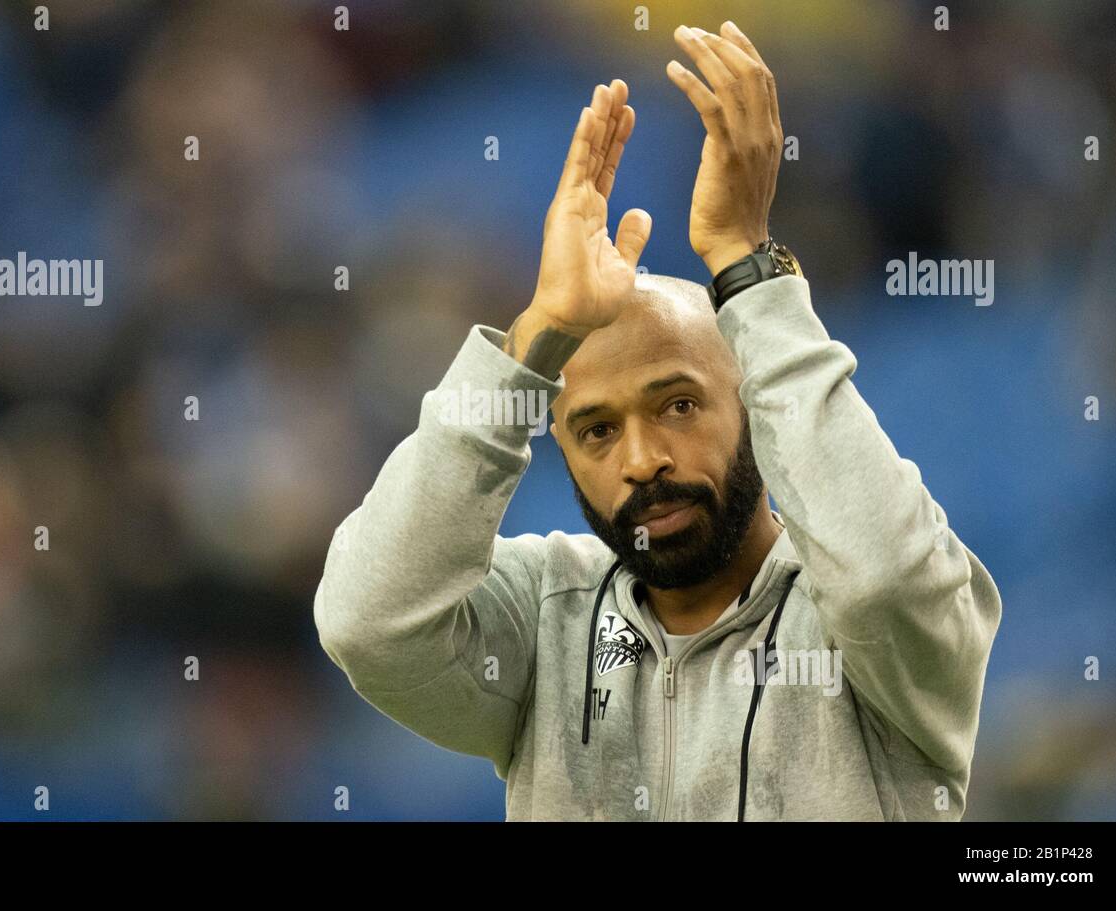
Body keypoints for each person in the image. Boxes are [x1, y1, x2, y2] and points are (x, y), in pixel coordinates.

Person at [314, 22, 1001, 820]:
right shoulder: (545, 618)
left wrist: (747, 264)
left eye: (678, 404)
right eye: (596, 430)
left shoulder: (873, 624)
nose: (641, 460)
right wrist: (533, 342)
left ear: (757, 403)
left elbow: (884, 578)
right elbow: (367, 622)